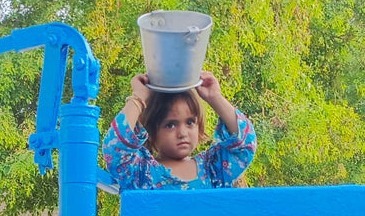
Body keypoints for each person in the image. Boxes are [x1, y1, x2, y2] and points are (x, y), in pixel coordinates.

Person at [102, 70, 257, 190]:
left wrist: (214, 97)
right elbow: (115, 149)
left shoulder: (212, 170)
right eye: (170, 125)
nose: (182, 133)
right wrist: (138, 98)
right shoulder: (141, 173)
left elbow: (245, 145)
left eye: (190, 122)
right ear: (152, 134)